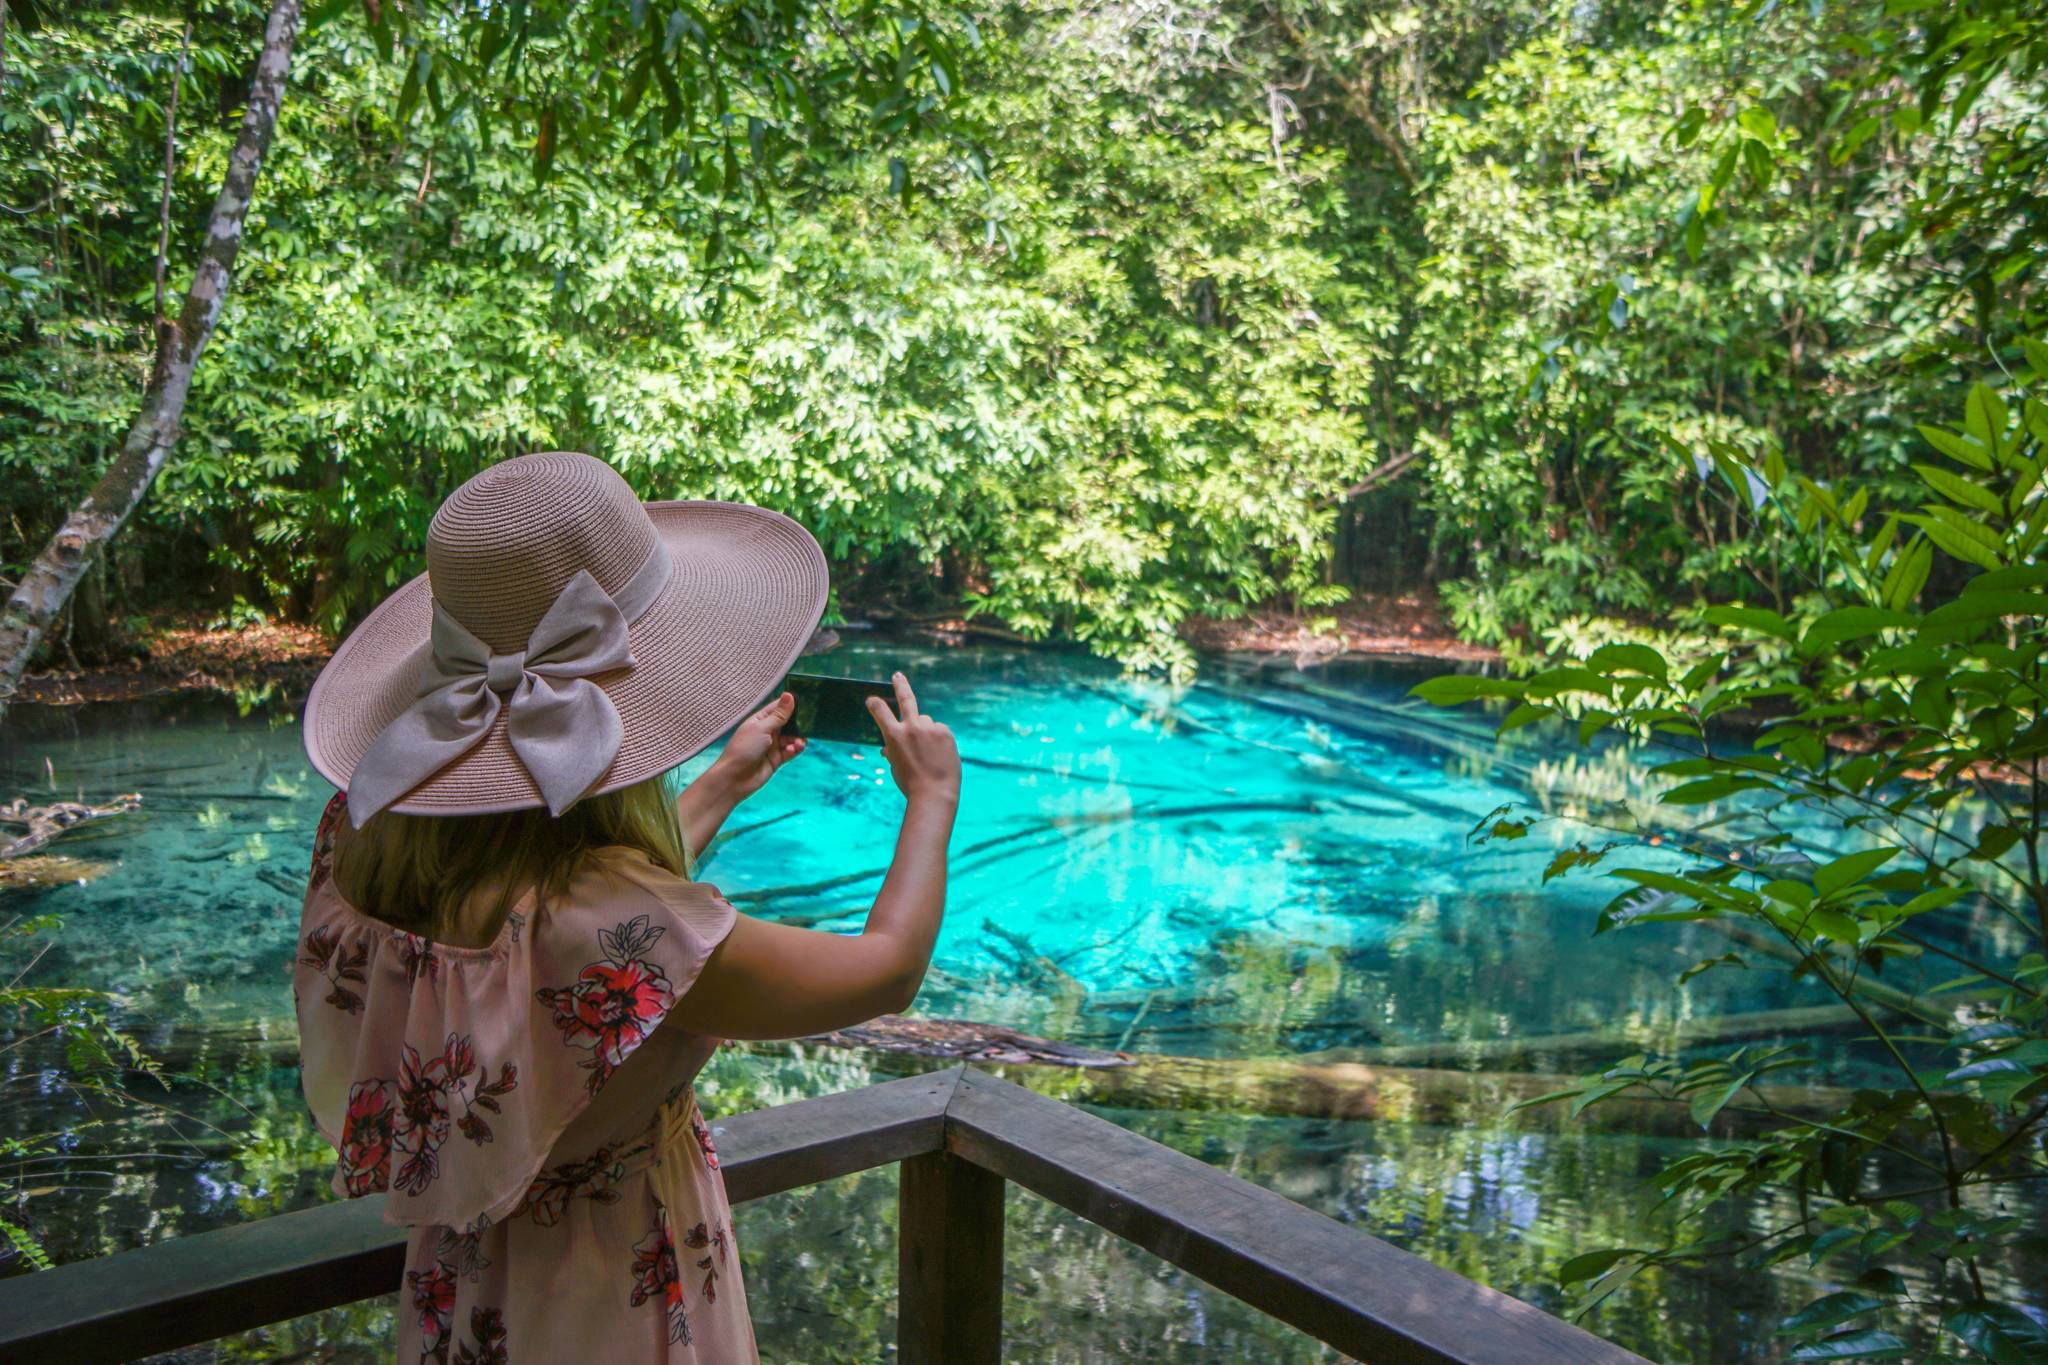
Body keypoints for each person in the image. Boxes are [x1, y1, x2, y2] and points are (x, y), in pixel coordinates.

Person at [291, 451, 959, 1363]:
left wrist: (723, 785)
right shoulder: (615, 922)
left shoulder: (360, 841)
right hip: (613, 1291)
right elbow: (886, 970)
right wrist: (931, 800)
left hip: (471, 1281)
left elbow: (557, 935)